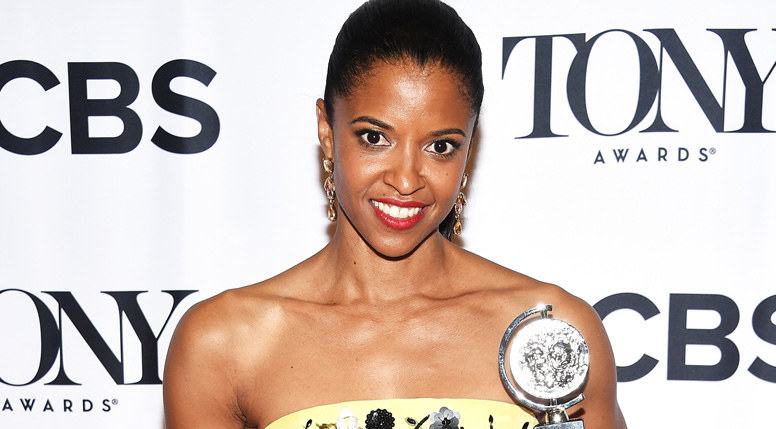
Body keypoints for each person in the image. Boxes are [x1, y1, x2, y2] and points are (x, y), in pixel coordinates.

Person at [163, 1, 627, 428]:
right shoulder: (222, 344)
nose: (406, 180)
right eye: (374, 138)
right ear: (326, 130)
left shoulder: (551, 335)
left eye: (440, 146)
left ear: (470, 147)